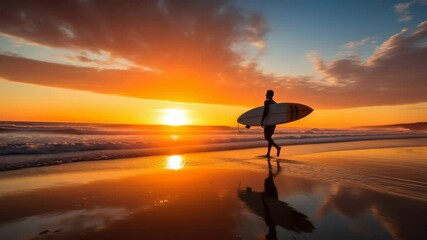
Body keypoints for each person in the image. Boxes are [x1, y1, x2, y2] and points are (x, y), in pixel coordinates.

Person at [261, 90, 281, 157]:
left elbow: (265, 111)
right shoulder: (275, 103)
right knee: (269, 137)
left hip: (268, 122)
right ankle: (268, 153)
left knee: (267, 137)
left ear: (269, 94)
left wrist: (262, 120)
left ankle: (277, 147)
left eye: (266, 94)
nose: (265, 95)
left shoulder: (267, 102)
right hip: (273, 122)